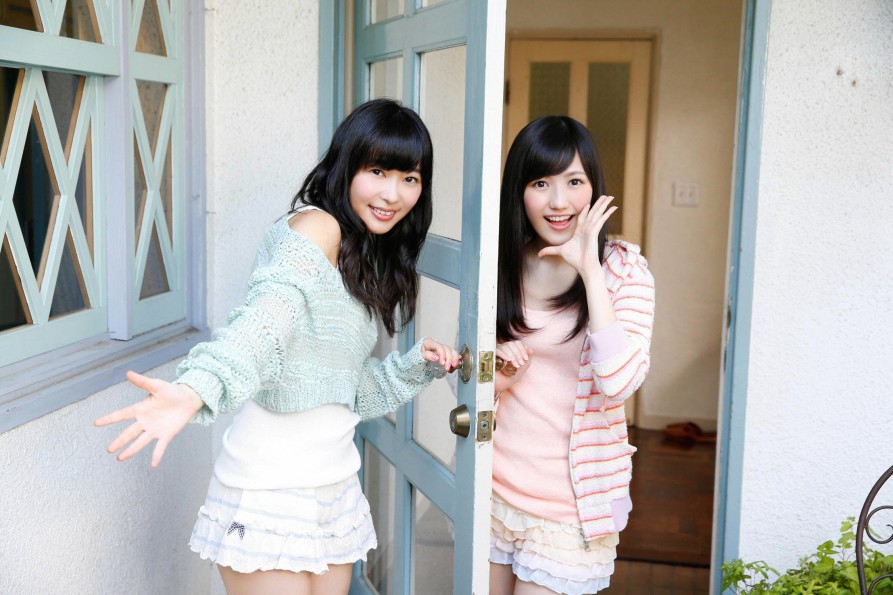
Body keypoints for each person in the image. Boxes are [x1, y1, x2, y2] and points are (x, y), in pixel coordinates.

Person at [95, 98, 460, 595]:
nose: (393, 194)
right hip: (268, 490)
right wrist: (196, 389)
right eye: (377, 171)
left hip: (332, 488)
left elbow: (345, 391)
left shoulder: (359, 250)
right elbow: (263, 325)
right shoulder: (316, 228)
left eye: (410, 178)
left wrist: (417, 366)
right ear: (347, 166)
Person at [489, 115, 655, 595]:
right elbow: (474, 374)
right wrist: (494, 369)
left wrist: (589, 270)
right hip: (494, 491)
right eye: (541, 183)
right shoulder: (501, 262)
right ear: (520, 191)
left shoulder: (624, 271)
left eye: (574, 182)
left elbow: (619, 382)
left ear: (594, 187)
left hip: (570, 509)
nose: (558, 202)